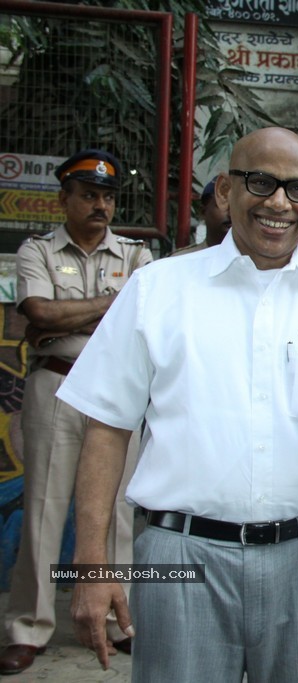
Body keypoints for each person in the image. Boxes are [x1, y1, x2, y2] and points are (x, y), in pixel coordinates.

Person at [55, 127, 298, 682]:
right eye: (262, 182)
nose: (279, 203)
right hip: (179, 557)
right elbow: (106, 426)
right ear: (227, 191)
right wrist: (93, 563)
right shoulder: (157, 288)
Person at [0, 149, 152, 676]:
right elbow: (37, 312)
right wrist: (112, 304)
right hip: (57, 387)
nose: (100, 205)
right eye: (89, 195)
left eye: (108, 197)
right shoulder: (36, 251)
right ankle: (29, 625)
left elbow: (141, 320)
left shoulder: (137, 256)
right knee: (44, 508)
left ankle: (118, 620)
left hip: (116, 392)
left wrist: (68, 321)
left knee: (119, 513)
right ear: (64, 199)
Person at [172, 180, 230, 255]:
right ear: (203, 211)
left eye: (237, 207)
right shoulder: (180, 261)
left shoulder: (249, 261)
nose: (231, 214)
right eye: (222, 205)